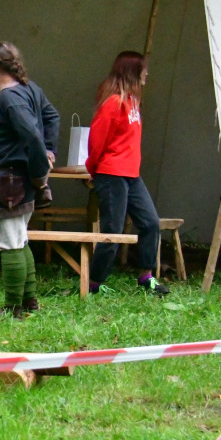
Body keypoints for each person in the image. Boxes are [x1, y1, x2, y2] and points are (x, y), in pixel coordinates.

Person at [0, 43, 59, 318]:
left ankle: (14, 308)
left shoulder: (10, 98)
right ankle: (29, 302)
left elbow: (33, 135)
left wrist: (40, 173)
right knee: (20, 239)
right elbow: (51, 117)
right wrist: (49, 151)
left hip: (9, 180)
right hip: (14, 177)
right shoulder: (30, 89)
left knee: (10, 242)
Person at [86, 51, 168, 296]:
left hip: (131, 174)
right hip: (111, 174)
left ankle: (146, 277)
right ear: (132, 71)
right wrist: (93, 169)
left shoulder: (132, 101)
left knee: (150, 222)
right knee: (112, 231)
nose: (147, 73)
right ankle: (93, 284)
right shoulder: (113, 102)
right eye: (143, 69)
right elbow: (97, 139)